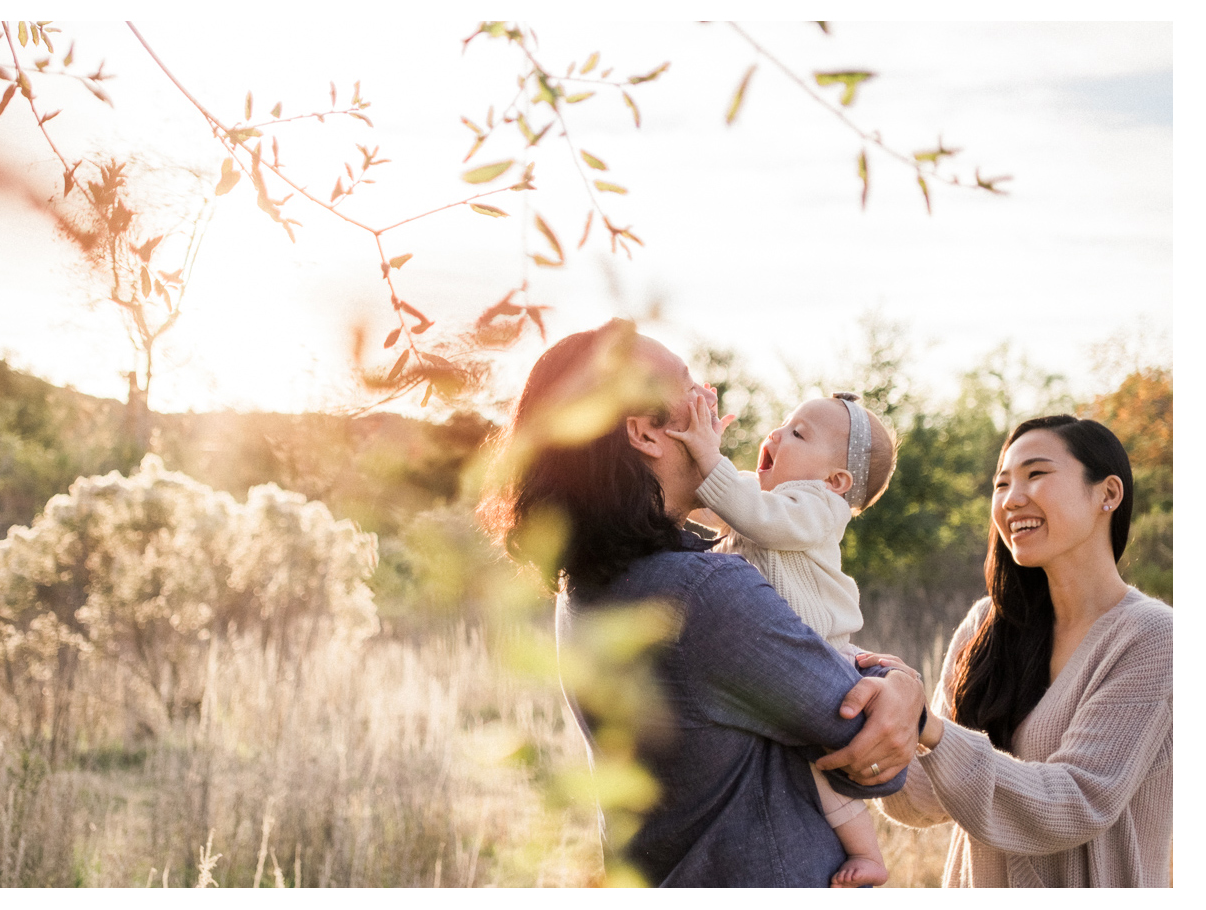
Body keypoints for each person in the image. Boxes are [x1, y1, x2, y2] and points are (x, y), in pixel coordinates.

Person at [477, 319, 929, 886]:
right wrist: (901, 686)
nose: (708, 396)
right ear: (645, 434)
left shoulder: (592, 584)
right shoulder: (702, 595)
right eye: (689, 385)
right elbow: (872, 758)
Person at [868, 415, 1172, 887]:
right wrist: (859, 717)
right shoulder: (986, 626)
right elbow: (925, 800)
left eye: (1036, 474)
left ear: (1108, 494)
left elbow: (1076, 803)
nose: (1011, 499)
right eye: (1001, 483)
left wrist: (928, 728)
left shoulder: (1153, 639)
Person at [664, 390, 897, 887]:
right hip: (782, 655)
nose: (776, 434)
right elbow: (710, 499)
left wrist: (709, 457)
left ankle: (868, 854)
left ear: (836, 482)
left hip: (827, 650)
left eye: (798, 433)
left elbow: (756, 515)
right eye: (783, 423)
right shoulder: (759, 496)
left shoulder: (819, 507)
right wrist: (692, 452)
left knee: (822, 763)